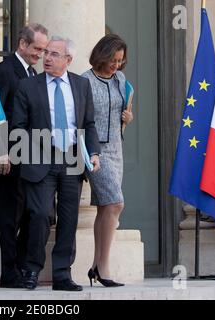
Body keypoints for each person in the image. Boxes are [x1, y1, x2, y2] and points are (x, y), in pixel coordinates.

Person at [11, 36, 101, 291]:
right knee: (39, 215)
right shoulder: (28, 86)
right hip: (40, 158)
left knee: (69, 218)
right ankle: (31, 270)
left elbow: (89, 124)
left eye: (54, 54)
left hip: (72, 158)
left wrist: (94, 153)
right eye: (46, 53)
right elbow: (18, 126)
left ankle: (62, 274)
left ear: (68, 60)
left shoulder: (82, 85)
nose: (47, 58)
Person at [0, 23, 49, 288]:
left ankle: (21, 266)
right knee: (10, 217)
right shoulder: (4, 71)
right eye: (37, 48)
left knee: (35, 215)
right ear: (22, 44)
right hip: (7, 158)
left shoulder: (33, 72)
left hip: (31, 158)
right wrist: (0, 151)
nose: (40, 54)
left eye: (44, 50)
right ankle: (9, 273)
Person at [81, 34, 133, 287]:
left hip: (116, 148)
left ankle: (96, 266)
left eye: (120, 61)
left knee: (107, 207)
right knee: (116, 202)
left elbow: (121, 111)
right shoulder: (84, 81)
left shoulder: (121, 80)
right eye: (113, 59)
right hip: (95, 150)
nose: (116, 65)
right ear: (101, 55)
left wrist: (128, 118)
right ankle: (104, 267)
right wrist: (89, 151)